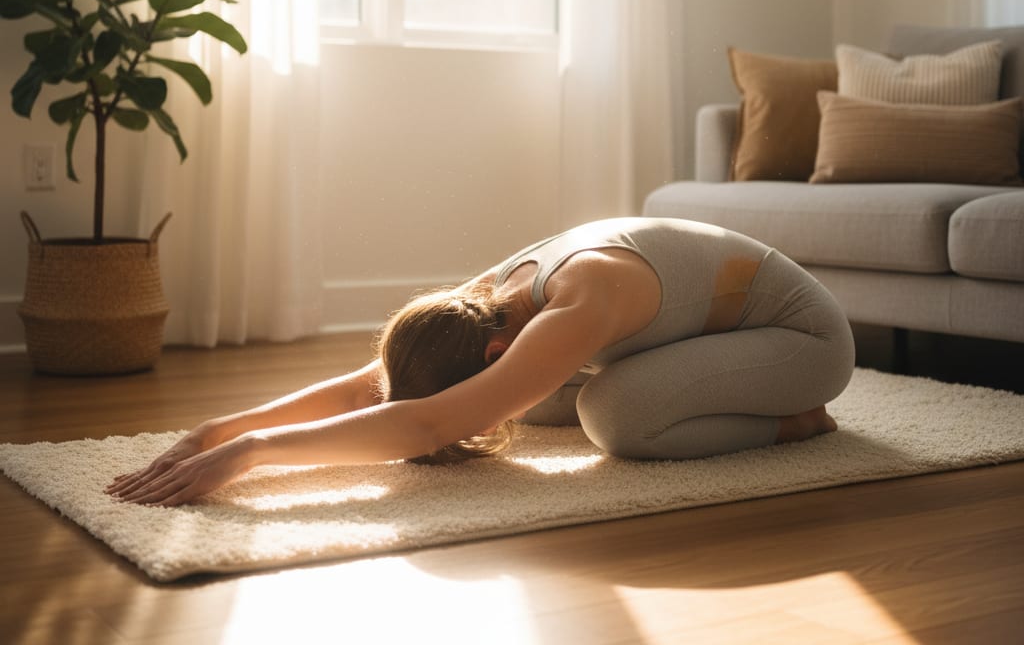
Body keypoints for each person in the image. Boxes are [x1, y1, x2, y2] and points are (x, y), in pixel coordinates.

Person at [107, 217, 855, 507]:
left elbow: (426, 422)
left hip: (803, 340)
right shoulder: (482, 302)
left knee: (613, 416)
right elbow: (377, 390)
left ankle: (795, 422)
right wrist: (217, 431)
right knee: (540, 402)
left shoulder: (579, 299)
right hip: (695, 332)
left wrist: (257, 454)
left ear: (496, 352)